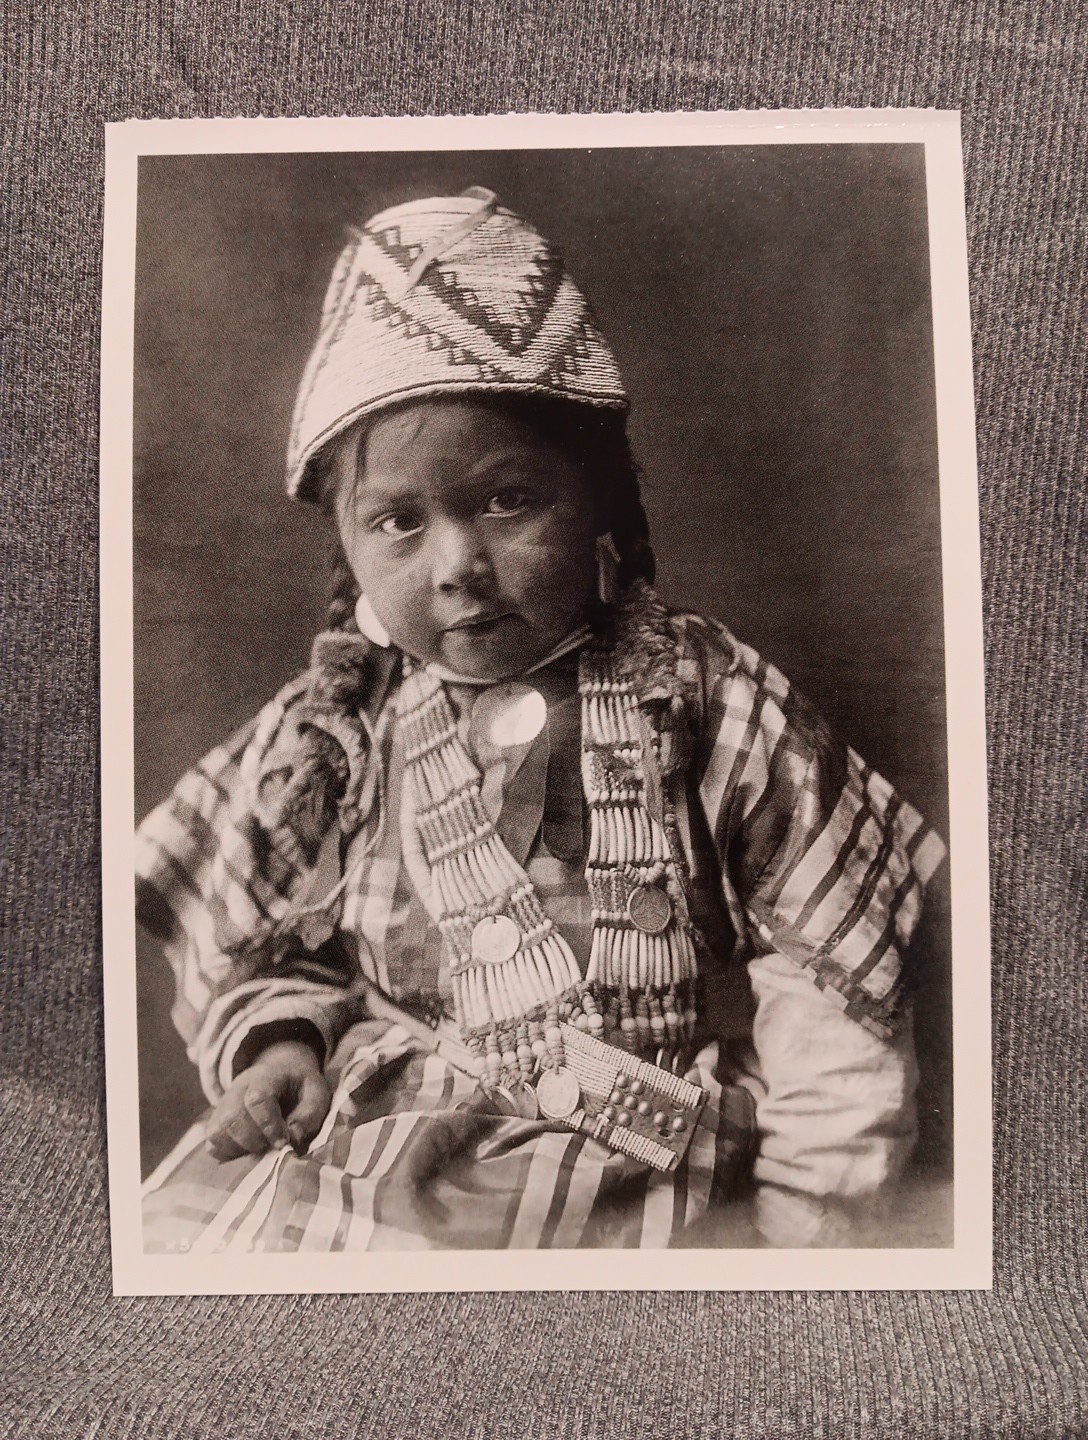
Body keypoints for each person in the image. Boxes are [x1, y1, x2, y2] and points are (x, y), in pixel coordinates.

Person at [137, 187, 946, 1253]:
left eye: (507, 501)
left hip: (643, 1173)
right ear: (345, 546)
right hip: (377, 1154)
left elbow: (826, 986)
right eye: (397, 522)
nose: (458, 566)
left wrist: (805, 1222)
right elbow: (273, 946)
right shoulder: (337, 725)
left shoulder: (697, 694)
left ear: (602, 497)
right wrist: (279, 1045)